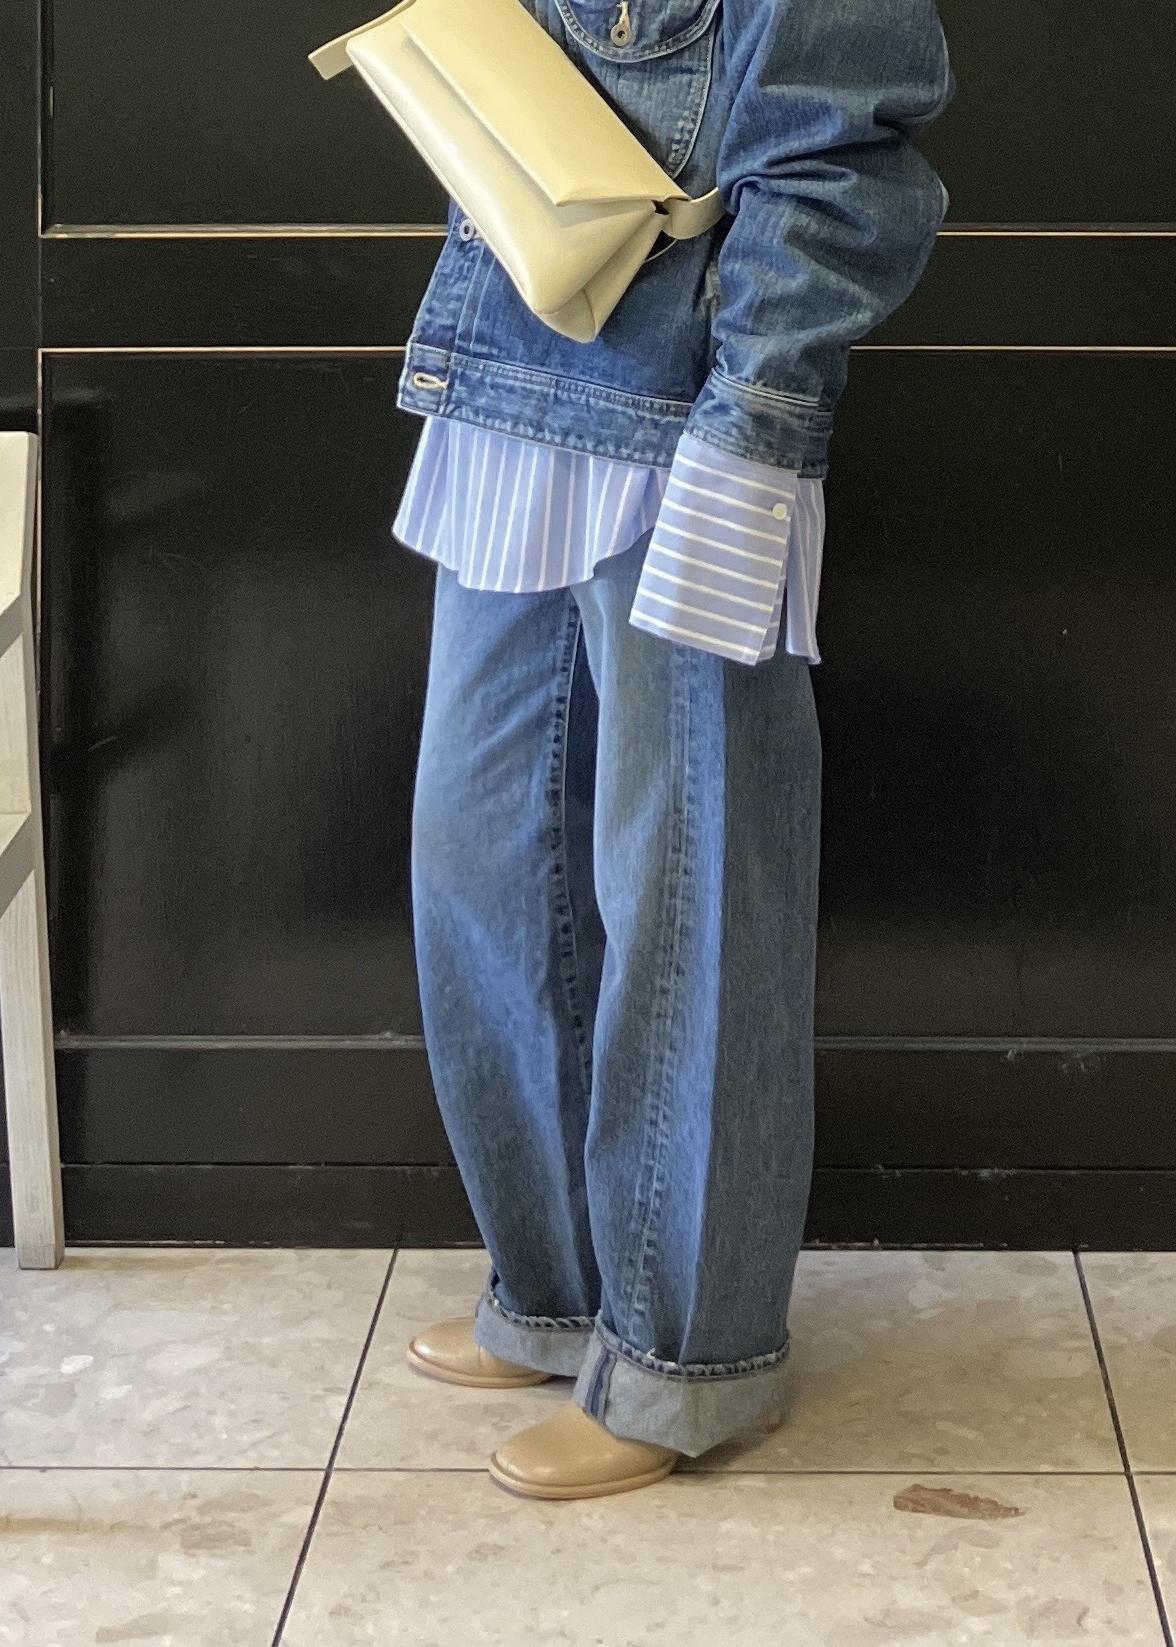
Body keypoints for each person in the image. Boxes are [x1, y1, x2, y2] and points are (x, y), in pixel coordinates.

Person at [391, 0, 955, 1499]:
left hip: (685, 432)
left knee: (695, 894)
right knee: (481, 857)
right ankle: (559, 1293)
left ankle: (689, 1362)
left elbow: (841, 164)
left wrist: (756, 424)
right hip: (510, 387)